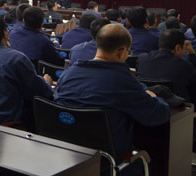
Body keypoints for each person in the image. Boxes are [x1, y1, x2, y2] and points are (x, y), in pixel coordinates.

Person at [54, 24, 171, 170]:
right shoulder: (122, 80)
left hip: (69, 158)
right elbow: (159, 115)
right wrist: (154, 98)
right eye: (128, 51)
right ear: (121, 52)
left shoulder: (68, 73)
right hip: (108, 163)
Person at [0, 14, 53, 125]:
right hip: (8, 122)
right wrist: (46, 83)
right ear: (5, 33)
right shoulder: (16, 58)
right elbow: (39, 90)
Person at [137, 29, 196, 100]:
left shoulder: (142, 59)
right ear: (178, 48)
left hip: (148, 102)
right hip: (177, 105)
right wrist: (191, 53)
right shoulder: (183, 65)